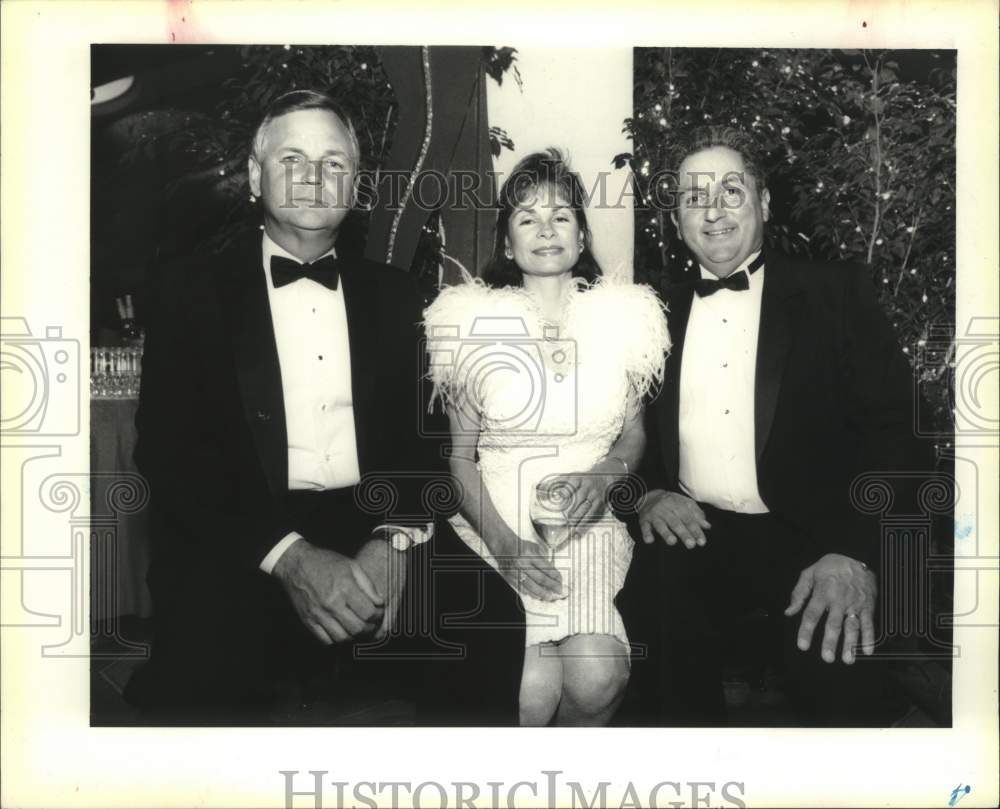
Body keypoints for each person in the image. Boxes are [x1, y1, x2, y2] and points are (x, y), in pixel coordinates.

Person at [125, 90, 510, 723]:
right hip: (245, 532)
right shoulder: (188, 291)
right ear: (256, 174)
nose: (313, 178)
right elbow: (169, 453)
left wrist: (394, 541)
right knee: (202, 677)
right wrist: (291, 557)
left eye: (334, 163)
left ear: (355, 185)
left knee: (492, 619)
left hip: (374, 518)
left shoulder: (396, 296)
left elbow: (423, 442)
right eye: (293, 159)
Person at [618, 126, 925, 726]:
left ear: (763, 203)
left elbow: (900, 435)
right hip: (696, 533)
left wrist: (854, 553)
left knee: (842, 701)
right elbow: (629, 435)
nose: (713, 212)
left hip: (816, 539)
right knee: (658, 654)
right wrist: (650, 492)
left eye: (731, 191)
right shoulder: (653, 311)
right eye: (693, 196)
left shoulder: (835, 294)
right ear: (677, 218)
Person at [423, 150, 670, 726]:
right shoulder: (467, 323)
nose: (545, 229)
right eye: (527, 218)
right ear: (507, 245)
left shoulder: (626, 319)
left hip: (588, 523)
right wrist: (506, 546)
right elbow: (459, 461)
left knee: (596, 675)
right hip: (495, 524)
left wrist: (603, 476)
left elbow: (633, 438)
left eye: (560, 216)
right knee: (531, 689)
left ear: (582, 235)